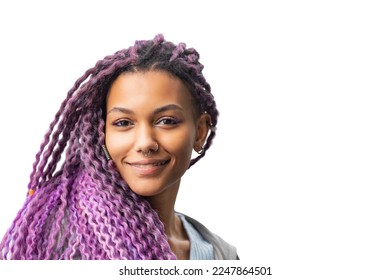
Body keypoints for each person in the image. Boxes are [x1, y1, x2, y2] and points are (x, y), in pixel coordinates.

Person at [0, 34, 238, 260]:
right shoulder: (57, 242)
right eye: (123, 123)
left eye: (166, 121)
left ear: (201, 132)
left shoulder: (219, 254)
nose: (145, 143)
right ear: (101, 134)